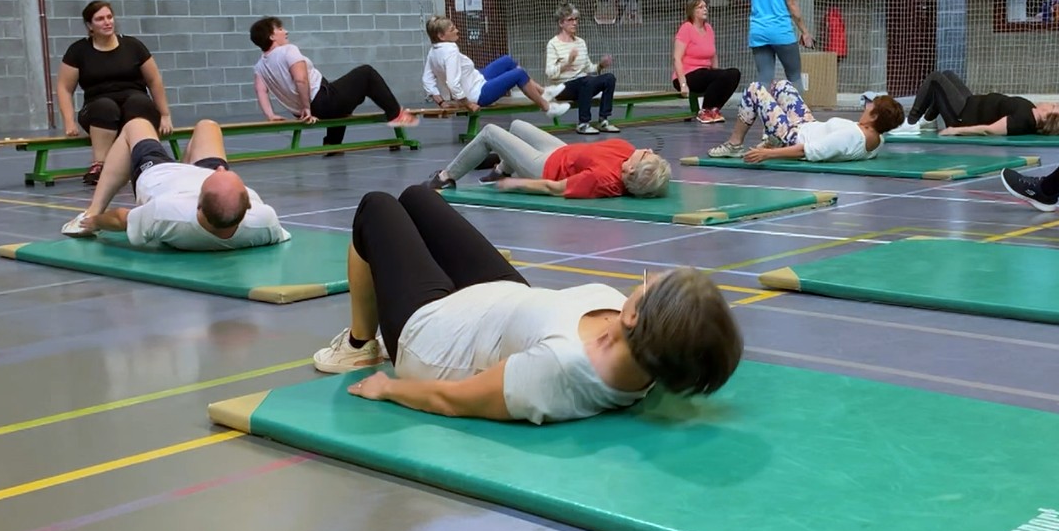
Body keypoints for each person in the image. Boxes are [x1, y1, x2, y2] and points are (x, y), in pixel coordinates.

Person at [310, 185, 743, 425]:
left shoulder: (560, 367)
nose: (643, 281)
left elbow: (453, 398)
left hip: (435, 336)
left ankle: (360, 343)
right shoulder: (648, 344)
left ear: (634, 316)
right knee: (419, 198)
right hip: (505, 302)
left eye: (650, 284)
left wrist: (388, 388)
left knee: (377, 207)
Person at [60, 117, 291, 251]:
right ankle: (195, 165)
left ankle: (90, 209)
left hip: (161, 175)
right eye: (225, 172)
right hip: (200, 176)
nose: (221, 168)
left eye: (220, 173)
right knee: (207, 126)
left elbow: (120, 218)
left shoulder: (167, 213)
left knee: (136, 124)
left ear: (197, 204)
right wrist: (211, 177)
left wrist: (95, 221)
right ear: (248, 206)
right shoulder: (264, 222)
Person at [249, 17, 419, 146]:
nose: (285, 31)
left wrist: (270, 115)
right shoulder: (288, 50)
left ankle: (332, 143)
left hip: (311, 107)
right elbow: (300, 80)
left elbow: (260, 91)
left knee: (340, 92)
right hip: (320, 104)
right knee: (366, 73)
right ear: (271, 36)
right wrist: (307, 107)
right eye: (280, 29)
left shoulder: (260, 66)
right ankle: (396, 114)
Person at [56, 1, 173, 185]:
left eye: (109, 17)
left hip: (134, 104)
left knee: (139, 103)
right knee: (105, 107)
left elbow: (154, 80)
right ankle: (100, 165)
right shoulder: (78, 51)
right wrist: (69, 122)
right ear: (89, 25)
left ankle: (145, 161)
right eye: (100, 19)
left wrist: (165, 115)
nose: (107, 22)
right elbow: (64, 87)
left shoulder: (133, 45)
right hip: (98, 109)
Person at [424, 120, 670, 199]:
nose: (647, 148)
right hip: (561, 153)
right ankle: (502, 169)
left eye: (646, 154)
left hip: (544, 168)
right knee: (516, 126)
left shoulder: (603, 180)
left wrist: (517, 184)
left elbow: (554, 188)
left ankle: (445, 177)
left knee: (489, 132)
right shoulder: (626, 151)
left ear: (631, 171)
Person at [708, 80, 904, 163]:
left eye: (871, 106)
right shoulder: (877, 138)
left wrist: (767, 153)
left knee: (755, 89)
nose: (866, 106)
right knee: (783, 85)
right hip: (806, 124)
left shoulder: (851, 136)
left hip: (793, 137)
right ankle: (770, 136)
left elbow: (807, 150)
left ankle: (734, 144)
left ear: (874, 117)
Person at [422, 17, 569, 118]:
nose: (457, 30)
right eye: (452, 29)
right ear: (441, 36)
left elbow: (427, 80)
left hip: (478, 79)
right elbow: (452, 83)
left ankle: (544, 92)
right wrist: (468, 104)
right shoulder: (450, 50)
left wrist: (441, 102)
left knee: (507, 60)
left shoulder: (433, 51)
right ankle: (547, 107)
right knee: (518, 74)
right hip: (479, 94)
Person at [895, 70, 1059, 138]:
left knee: (936, 79)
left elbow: (989, 129)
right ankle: (928, 121)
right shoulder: (1030, 110)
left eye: (1055, 106)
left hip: (962, 116)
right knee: (948, 75)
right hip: (970, 103)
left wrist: (956, 130)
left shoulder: (1023, 120)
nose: (1052, 102)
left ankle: (910, 123)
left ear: (1048, 116)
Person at [545, 2, 619, 135]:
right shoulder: (553, 44)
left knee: (609, 78)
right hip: (563, 87)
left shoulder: (580, 42)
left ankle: (603, 120)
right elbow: (550, 73)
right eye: (570, 20)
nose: (575, 23)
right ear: (561, 23)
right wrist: (567, 63)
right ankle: (583, 123)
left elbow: (588, 68)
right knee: (585, 81)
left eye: (576, 19)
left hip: (584, 84)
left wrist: (601, 65)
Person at [672, 0, 741, 124]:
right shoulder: (686, 28)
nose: (705, 9)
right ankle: (705, 111)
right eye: (701, 7)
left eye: (705, 6)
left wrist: (719, 74)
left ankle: (714, 109)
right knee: (718, 76)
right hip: (687, 75)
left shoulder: (708, 28)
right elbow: (677, 58)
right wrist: (683, 84)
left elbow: (712, 54)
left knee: (733, 74)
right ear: (693, 11)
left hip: (704, 73)